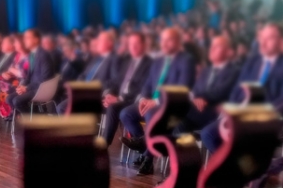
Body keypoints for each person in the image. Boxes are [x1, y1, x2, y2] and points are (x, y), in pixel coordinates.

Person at [199, 23, 283, 155]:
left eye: (269, 38)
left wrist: (257, 115)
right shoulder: (253, 61)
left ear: (280, 41)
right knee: (208, 134)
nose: (263, 43)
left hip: (265, 119)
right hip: (240, 114)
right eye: (261, 38)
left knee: (239, 139)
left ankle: (239, 163)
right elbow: (237, 90)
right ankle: (234, 164)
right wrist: (231, 111)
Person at [119, 27, 196, 174]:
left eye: (169, 40)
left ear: (178, 42)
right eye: (163, 40)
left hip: (172, 105)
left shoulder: (186, 60)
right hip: (151, 103)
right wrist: (143, 98)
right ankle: (145, 148)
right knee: (126, 114)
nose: (164, 44)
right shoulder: (159, 60)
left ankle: (148, 159)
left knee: (151, 113)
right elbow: (148, 83)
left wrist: (157, 102)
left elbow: (183, 87)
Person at [176, 35, 239, 134]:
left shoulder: (234, 71)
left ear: (228, 52)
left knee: (179, 110)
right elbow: (195, 90)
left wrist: (200, 96)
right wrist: (196, 98)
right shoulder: (206, 70)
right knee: (179, 121)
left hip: (216, 112)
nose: (212, 49)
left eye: (217, 46)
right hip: (198, 110)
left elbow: (220, 92)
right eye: (212, 46)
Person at [100, 32, 152, 146]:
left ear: (144, 45)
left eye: (137, 43)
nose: (133, 47)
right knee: (97, 101)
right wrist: (109, 94)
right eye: (131, 44)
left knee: (113, 108)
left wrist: (119, 98)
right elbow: (116, 82)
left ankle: (103, 145)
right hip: (120, 99)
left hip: (133, 101)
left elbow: (142, 88)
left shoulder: (150, 63)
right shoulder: (127, 61)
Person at [7, 28, 56, 115]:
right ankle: (37, 116)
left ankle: (37, 118)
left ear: (36, 40)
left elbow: (45, 79)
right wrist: (22, 86)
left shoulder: (43, 55)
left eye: (27, 38)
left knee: (17, 101)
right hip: (32, 87)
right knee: (9, 98)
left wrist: (27, 88)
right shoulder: (32, 55)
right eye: (24, 38)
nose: (24, 40)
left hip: (41, 89)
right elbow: (28, 76)